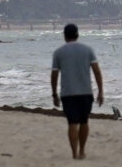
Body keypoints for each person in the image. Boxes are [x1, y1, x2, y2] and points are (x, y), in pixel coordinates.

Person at [51, 23, 104, 160]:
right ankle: (82, 151)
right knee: (84, 122)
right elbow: (97, 71)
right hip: (86, 92)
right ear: (77, 35)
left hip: (67, 94)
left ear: (64, 36)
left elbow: (54, 75)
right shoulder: (88, 50)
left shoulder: (58, 52)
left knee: (72, 123)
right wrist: (100, 91)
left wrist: (54, 94)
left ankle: (74, 153)